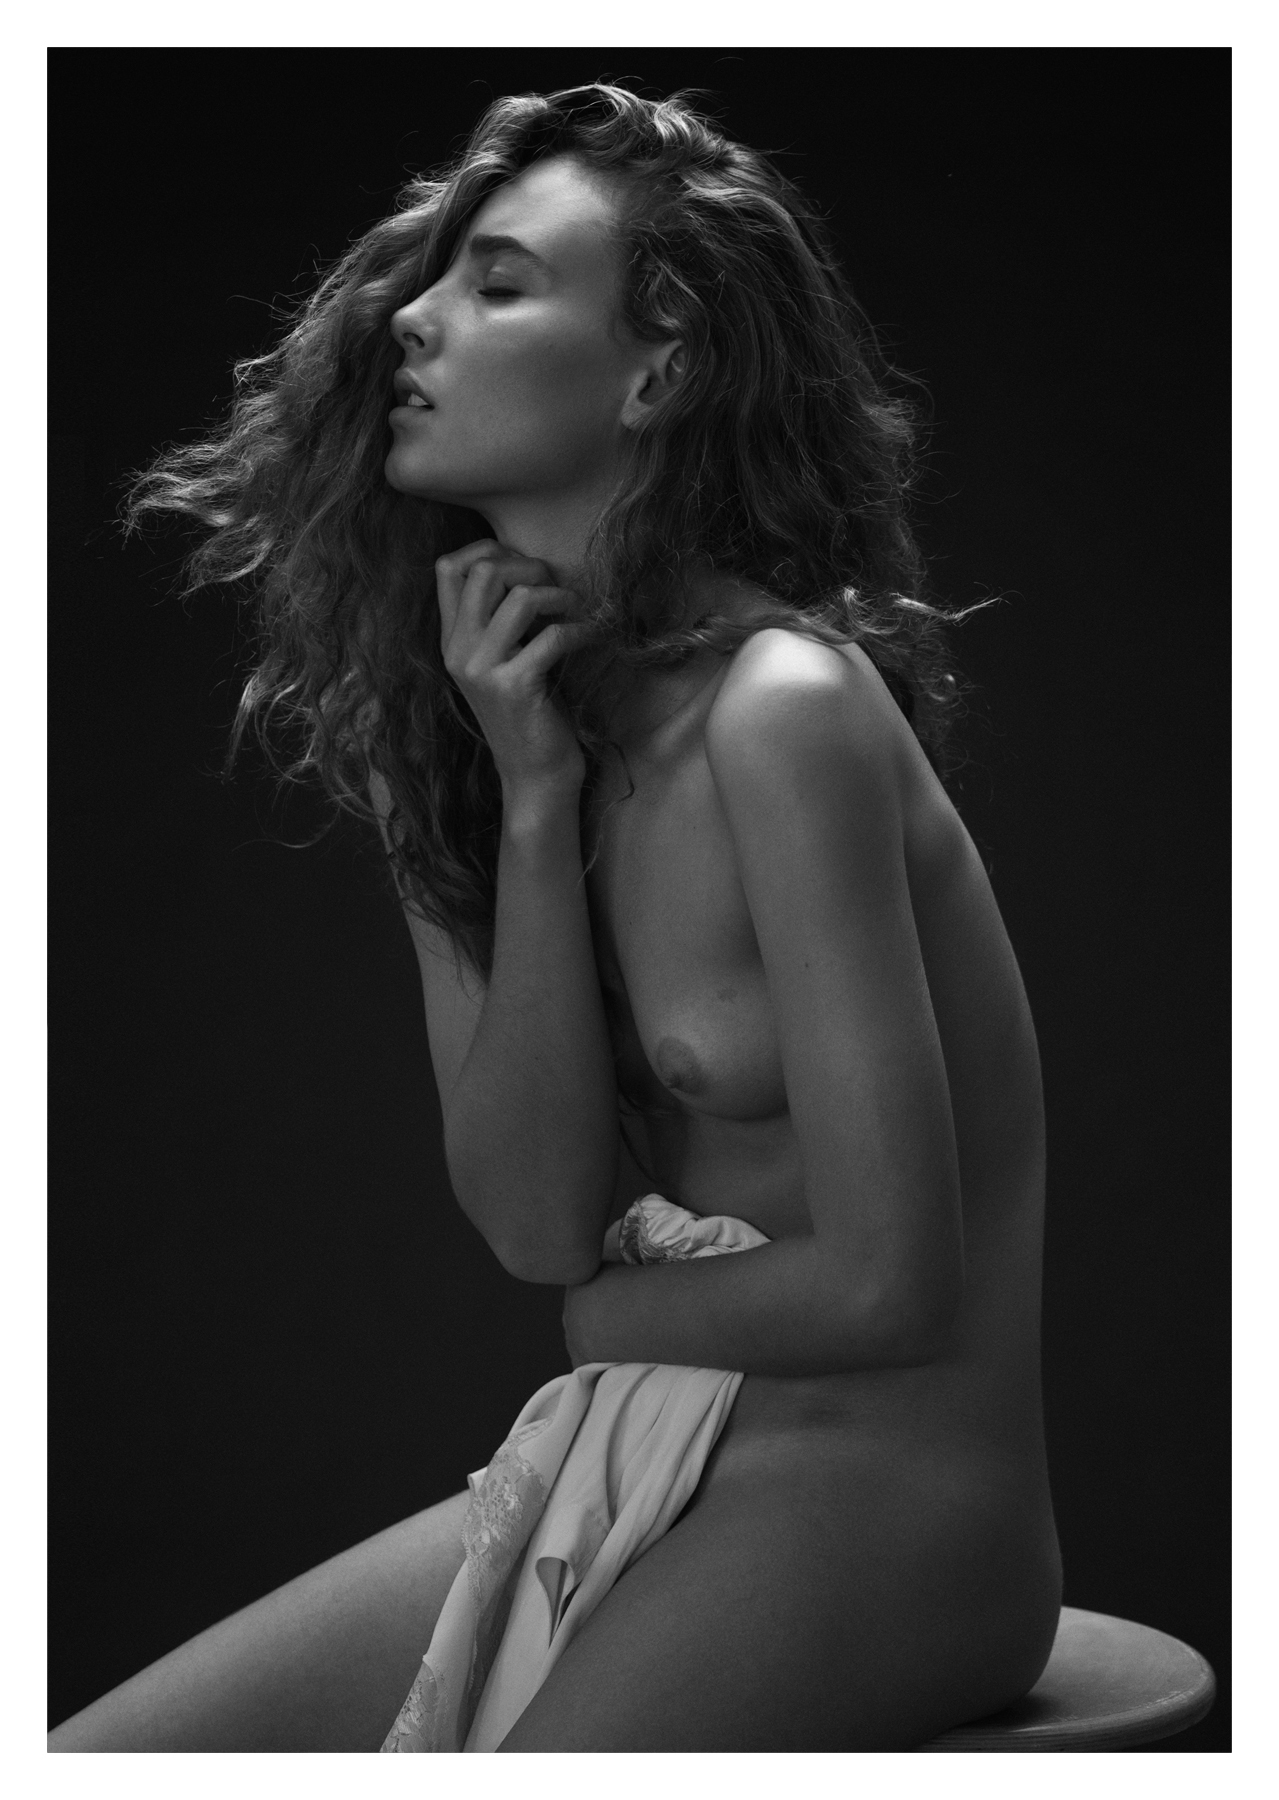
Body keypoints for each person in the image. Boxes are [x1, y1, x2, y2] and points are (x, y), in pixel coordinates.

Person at [49, 82, 1062, 1752]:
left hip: (883, 1503)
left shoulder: (786, 711)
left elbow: (894, 1287)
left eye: (500, 282)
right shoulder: (450, 737)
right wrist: (527, 802)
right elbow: (535, 1221)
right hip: (620, 1453)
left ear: (659, 372)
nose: (411, 317)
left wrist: (606, 1316)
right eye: (432, 276)